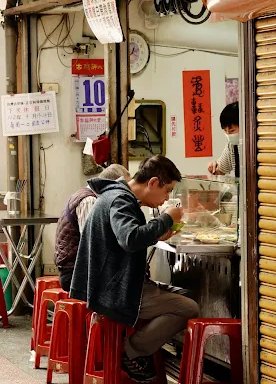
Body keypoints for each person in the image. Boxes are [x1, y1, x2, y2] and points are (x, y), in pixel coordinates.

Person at [70, 155, 199, 383]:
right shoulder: (120, 200)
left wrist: (156, 233)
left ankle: (146, 353)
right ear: (153, 183)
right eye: (167, 190)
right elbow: (129, 239)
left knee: (185, 295)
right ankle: (130, 352)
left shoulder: (116, 196)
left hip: (115, 282)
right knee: (189, 308)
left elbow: (125, 241)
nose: (167, 198)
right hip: (114, 290)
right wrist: (166, 219)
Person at [54, 164, 131, 291]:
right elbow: (93, 245)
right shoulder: (88, 200)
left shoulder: (86, 195)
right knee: (129, 284)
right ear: (114, 185)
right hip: (74, 274)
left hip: (78, 268)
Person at [208, 102, 240, 177]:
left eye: (232, 130)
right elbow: (221, 170)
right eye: (225, 131)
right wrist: (213, 166)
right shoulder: (231, 145)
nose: (229, 134)